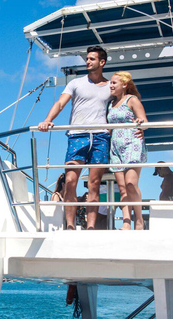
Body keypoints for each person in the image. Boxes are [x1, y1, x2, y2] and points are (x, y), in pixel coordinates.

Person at [38, 46, 112, 230]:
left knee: (94, 184)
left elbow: (123, 105)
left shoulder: (111, 86)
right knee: (70, 181)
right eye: (87, 58)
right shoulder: (76, 83)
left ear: (101, 62)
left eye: (92, 59)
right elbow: (61, 102)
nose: (87, 61)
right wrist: (48, 120)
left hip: (101, 137)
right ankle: (70, 225)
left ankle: (91, 226)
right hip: (77, 135)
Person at [107, 71, 148, 230]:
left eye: (114, 83)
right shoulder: (110, 104)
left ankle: (139, 219)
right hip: (116, 147)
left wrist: (140, 122)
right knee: (122, 188)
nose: (111, 85)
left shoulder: (132, 100)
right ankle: (126, 221)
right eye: (110, 83)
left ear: (124, 85)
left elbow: (144, 120)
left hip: (132, 143)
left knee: (131, 184)